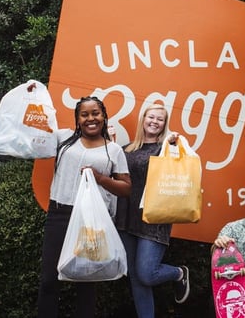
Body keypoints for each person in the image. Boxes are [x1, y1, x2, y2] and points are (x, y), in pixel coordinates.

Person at [37, 96, 132, 318]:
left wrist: (100, 178)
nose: (91, 118)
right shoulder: (63, 138)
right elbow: (33, 133)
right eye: (85, 114)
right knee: (49, 280)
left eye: (96, 113)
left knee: (87, 283)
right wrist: (33, 96)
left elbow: (126, 188)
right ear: (77, 119)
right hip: (60, 213)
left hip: (92, 219)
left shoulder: (114, 150)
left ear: (104, 116)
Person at [113, 103, 190, 317]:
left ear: (164, 124)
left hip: (153, 220)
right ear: (143, 119)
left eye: (160, 119)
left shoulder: (165, 148)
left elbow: (178, 167)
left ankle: (178, 273)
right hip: (126, 218)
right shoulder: (126, 148)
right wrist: (110, 145)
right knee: (137, 280)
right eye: (151, 117)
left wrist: (174, 145)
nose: (155, 122)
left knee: (146, 274)